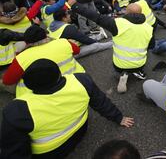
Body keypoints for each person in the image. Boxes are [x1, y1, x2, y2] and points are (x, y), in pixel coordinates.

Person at [0, 59, 134, 158]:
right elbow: (101, 102)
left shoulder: (17, 109)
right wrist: (119, 118)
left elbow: (13, 152)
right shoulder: (81, 80)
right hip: (80, 131)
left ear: (29, 86)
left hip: (49, 153)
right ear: (59, 73)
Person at [68, 0, 154, 93]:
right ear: (141, 13)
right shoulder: (149, 28)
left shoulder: (117, 23)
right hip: (139, 64)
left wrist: (75, 5)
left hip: (119, 65)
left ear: (126, 12)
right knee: (143, 55)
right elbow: (151, 46)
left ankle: (123, 73)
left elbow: (96, 17)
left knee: (119, 66)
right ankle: (137, 71)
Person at [2, 24, 84, 97]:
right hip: (76, 81)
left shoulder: (21, 58)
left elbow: (7, 81)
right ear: (46, 35)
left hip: (38, 95)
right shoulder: (63, 42)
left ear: (26, 42)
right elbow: (77, 50)